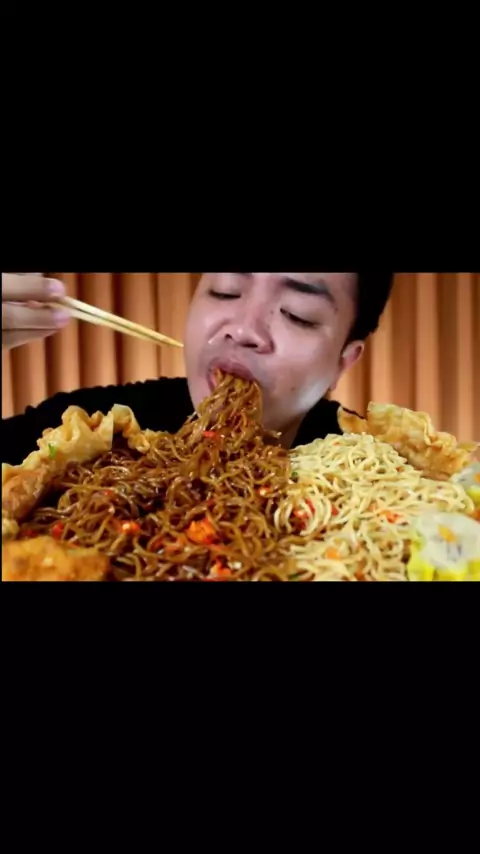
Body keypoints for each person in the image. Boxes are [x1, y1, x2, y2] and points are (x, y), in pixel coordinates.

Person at [2, 272, 394, 465]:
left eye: (297, 314)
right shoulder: (80, 431)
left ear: (344, 361)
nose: (243, 329)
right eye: (226, 289)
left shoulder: (383, 474)